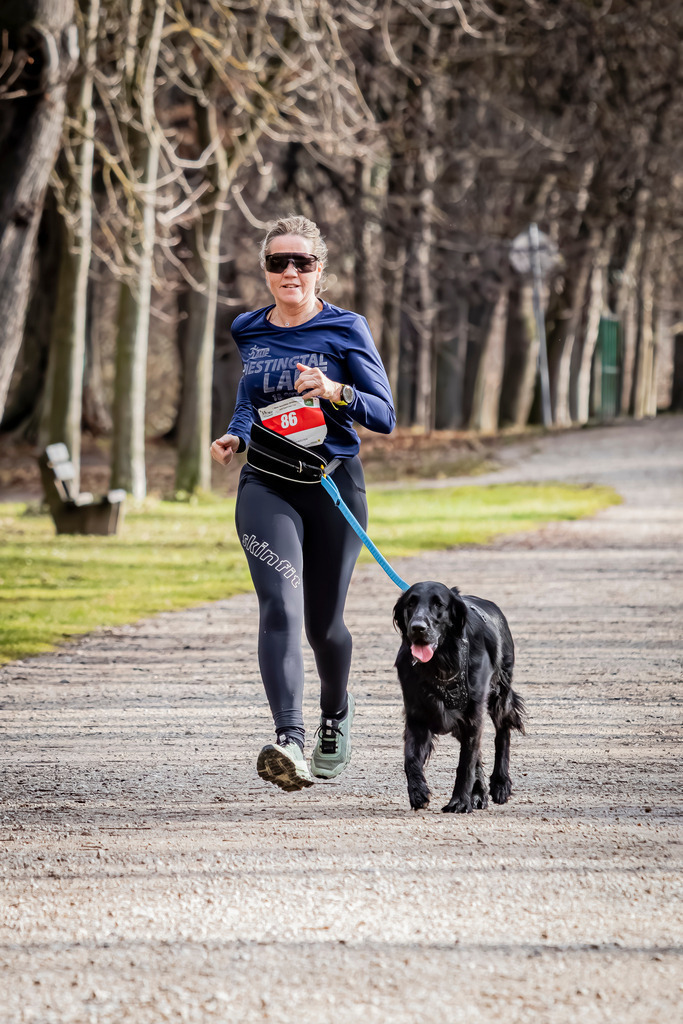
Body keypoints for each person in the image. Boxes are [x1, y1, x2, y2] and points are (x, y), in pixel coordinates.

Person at [210, 214, 395, 792]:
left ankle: (334, 718)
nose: (290, 271)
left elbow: (385, 415)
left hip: (332, 485)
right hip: (266, 484)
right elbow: (249, 393)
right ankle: (288, 739)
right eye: (277, 262)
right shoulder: (247, 328)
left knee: (323, 625)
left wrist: (336, 390)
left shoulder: (347, 328)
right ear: (265, 270)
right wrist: (237, 433)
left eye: (302, 262)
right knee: (279, 607)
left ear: (319, 269)